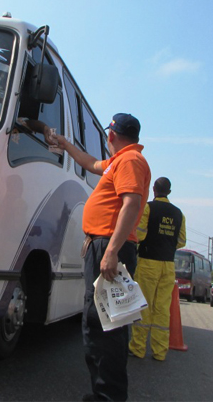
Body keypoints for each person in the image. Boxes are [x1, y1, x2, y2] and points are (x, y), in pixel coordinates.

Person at [54, 113, 151, 402]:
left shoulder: (130, 161)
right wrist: (65, 144)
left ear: (111, 136)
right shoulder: (119, 160)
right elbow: (90, 163)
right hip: (103, 244)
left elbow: (131, 205)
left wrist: (109, 251)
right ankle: (105, 393)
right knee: (105, 324)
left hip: (111, 248)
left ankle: (108, 396)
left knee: (104, 325)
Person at [129, 177, 186, 361]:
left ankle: (138, 348)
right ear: (169, 192)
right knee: (162, 308)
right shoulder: (179, 214)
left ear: (154, 189)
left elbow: (140, 234)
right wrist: (167, 244)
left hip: (148, 262)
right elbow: (181, 241)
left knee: (144, 305)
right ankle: (160, 352)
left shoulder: (148, 208)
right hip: (168, 265)